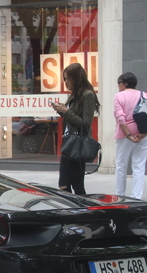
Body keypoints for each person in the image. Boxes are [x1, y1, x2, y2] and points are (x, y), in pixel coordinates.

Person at [51, 63, 100, 195]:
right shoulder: (74, 95)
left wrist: (66, 111)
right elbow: (71, 119)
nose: (66, 82)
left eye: (67, 79)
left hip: (77, 144)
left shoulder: (87, 95)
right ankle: (74, 210)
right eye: (64, 79)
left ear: (76, 78)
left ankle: (84, 211)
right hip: (69, 142)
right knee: (63, 184)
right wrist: (61, 110)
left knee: (77, 185)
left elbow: (85, 123)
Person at [113, 72, 147, 199]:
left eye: (119, 83)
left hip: (124, 135)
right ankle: (136, 197)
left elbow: (120, 117)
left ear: (125, 83)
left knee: (121, 165)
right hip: (144, 134)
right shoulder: (145, 95)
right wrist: (143, 133)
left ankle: (120, 195)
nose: (118, 86)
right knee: (139, 166)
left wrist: (128, 135)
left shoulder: (119, 96)